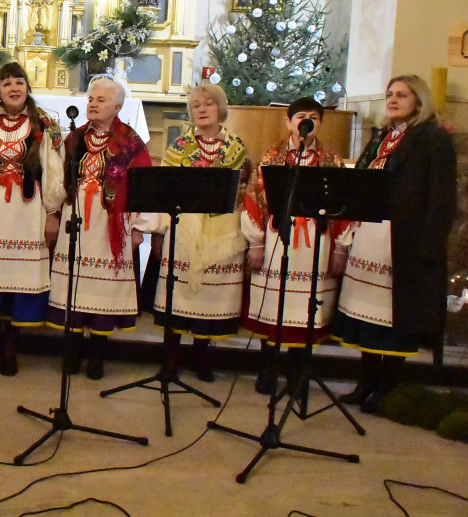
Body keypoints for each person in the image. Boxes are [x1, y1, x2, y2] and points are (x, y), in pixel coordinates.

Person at [332, 75, 456, 413]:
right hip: (370, 235)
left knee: (394, 318)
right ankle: (366, 382)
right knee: (369, 319)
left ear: (419, 101)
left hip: (405, 240)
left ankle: (388, 386)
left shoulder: (431, 138)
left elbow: (442, 198)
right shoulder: (381, 136)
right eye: (389, 94)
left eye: (402, 94)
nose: (393, 99)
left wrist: (430, 245)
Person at [140, 83, 251, 382]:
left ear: (220, 108)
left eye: (208, 104)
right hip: (184, 229)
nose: (201, 109)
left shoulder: (237, 149)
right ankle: (170, 360)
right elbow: (164, 193)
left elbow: (243, 195)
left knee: (210, 298)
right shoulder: (178, 148)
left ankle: (202, 358)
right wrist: (159, 234)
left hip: (223, 231)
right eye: (196, 105)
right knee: (179, 294)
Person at [241, 97, 350, 394]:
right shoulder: (272, 157)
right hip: (279, 239)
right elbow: (254, 199)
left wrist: (341, 248)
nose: (306, 120)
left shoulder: (331, 160)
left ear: (320, 123)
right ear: (288, 122)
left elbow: (344, 207)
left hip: (316, 243)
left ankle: (297, 371)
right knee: (275, 305)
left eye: (313, 116)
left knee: (307, 308)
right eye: (300, 115)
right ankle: (268, 368)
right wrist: (256, 243)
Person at [47, 77, 152, 380]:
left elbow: (142, 187)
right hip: (75, 217)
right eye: (91, 99)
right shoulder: (75, 137)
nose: (92, 104)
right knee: (74, 284)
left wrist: (138, 228)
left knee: (103, 288)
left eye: (101, 100)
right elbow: (60, 179)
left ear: (117, 107)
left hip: (110, 225)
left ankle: (98, 354)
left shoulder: (130, 142)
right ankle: (73, 348)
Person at [0, 62, 63, 376]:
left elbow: (54, 169)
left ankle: (11, 346)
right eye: (6, 82)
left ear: (27, 87)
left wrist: (52, 213)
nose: (13, 88)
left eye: (19, 82)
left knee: (21, 279)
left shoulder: (44, 123)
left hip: (28, 213)